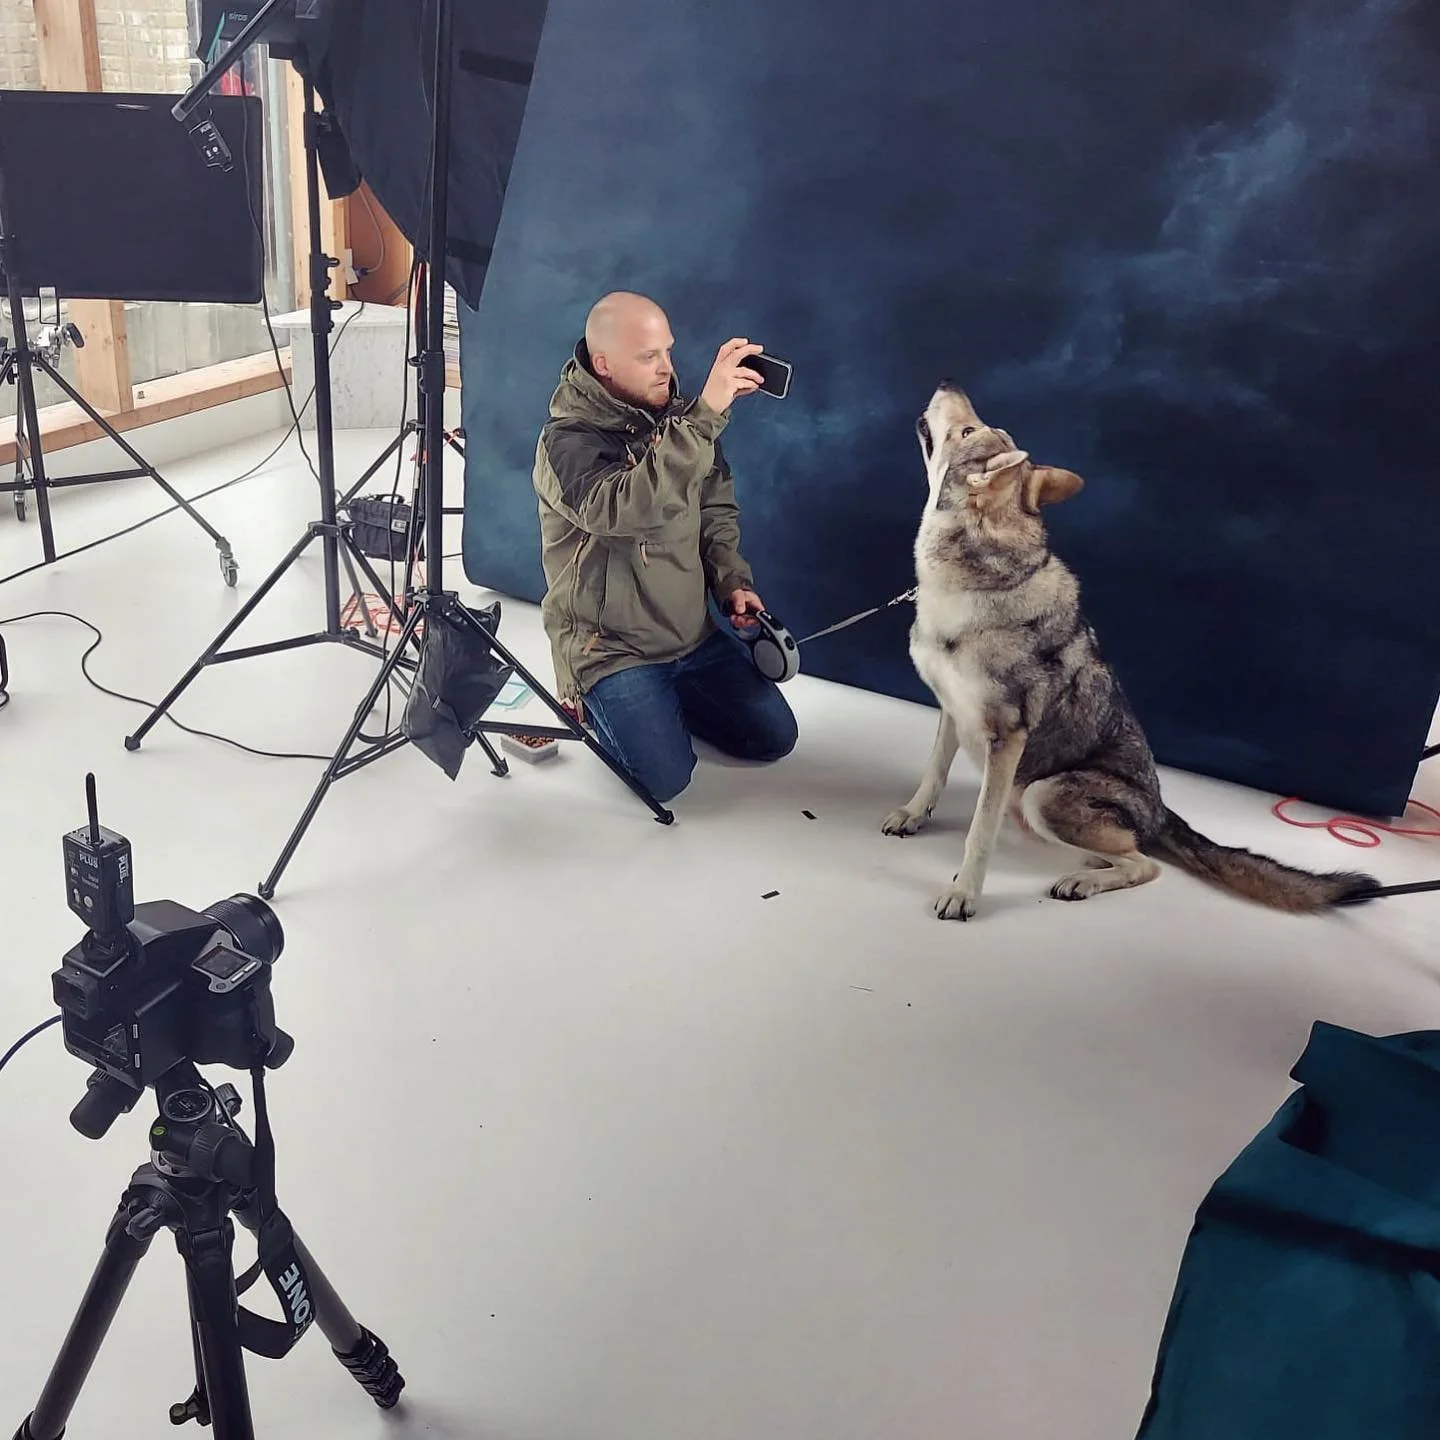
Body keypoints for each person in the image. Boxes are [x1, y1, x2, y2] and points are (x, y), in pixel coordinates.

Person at [532, 291, 798, 803]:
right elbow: (624, 509)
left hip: (690, 639)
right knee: (665, 782)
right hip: (610, 648)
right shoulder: (566, 443)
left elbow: (715, 512)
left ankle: (663, 703)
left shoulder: (680, 423)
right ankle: (593, 700)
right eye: (649, 356)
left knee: (774, 739)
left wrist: (732, 584)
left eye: (668, 352)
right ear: (604, 364)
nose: (666, 368)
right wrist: (702, 420)